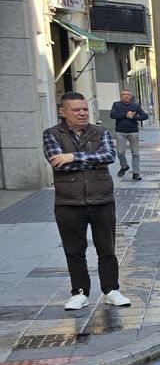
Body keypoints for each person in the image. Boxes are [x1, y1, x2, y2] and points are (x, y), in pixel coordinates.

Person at [44, 92, 130, 311]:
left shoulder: (100, 132)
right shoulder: (52, 134)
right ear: (63, 112)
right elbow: (58, 164)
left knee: (107, 249)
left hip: (102, 199)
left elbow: (108, 156)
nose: (82, 113)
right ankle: (80, 293)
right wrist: (91, 161)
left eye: (84, 109)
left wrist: (73, 156)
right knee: (74, 251)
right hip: (68, 202)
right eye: (76, 110)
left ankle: (111, 290)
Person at [108, 89, 149, 181]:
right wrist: (126, 115)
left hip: (133, 132)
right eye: (124, 94)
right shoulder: (116, 105)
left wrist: (134, 116)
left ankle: (136, 173)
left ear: (130, 96)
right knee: (120, 152)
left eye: (128, 94)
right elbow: (113, 115)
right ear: (121, 96)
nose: (126, 96)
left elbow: (145, 116)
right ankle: (124, 166)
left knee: (135, 153)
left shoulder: (135, 106)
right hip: (120, 132)